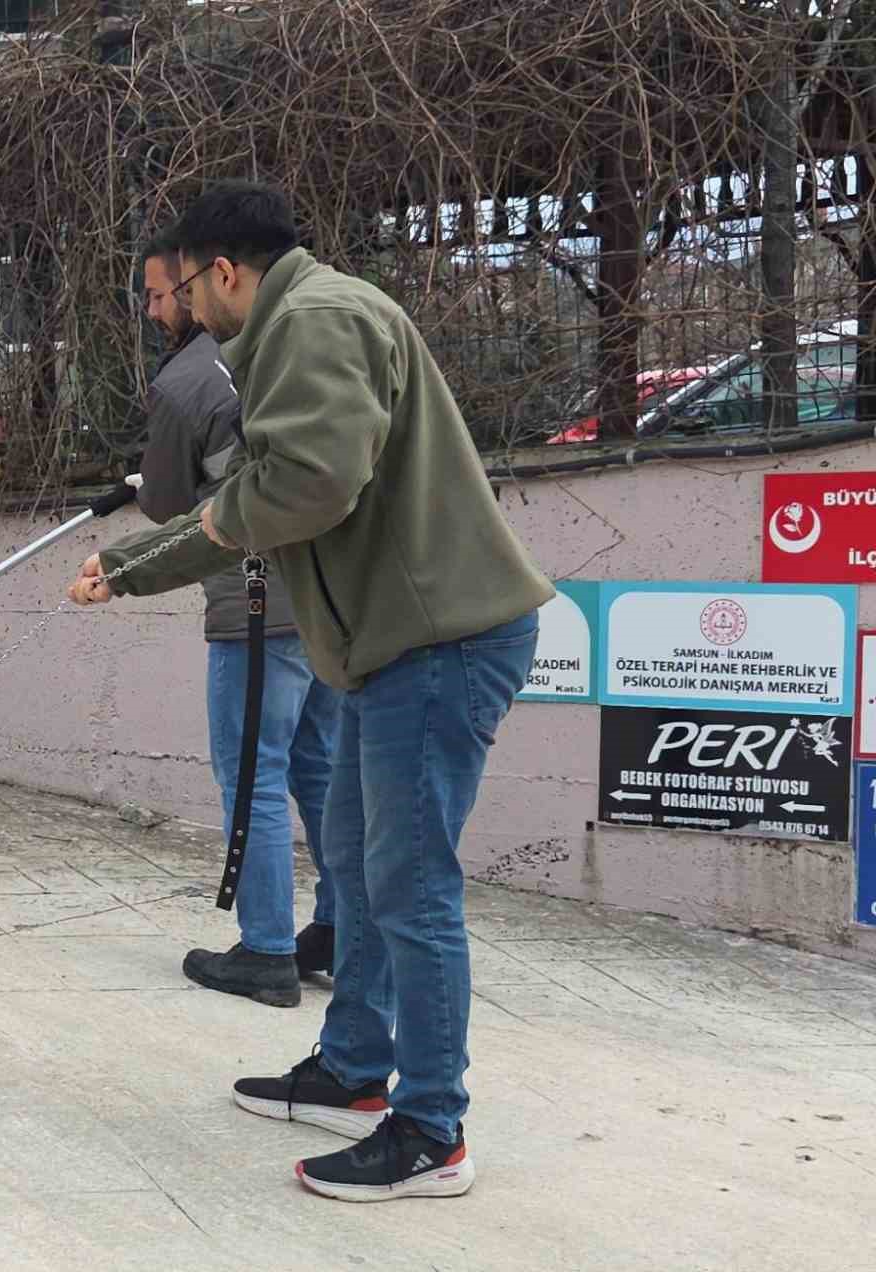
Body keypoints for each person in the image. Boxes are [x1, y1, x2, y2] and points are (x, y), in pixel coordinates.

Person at [67, 181, 553, 1202]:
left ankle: (431, 1130)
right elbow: (279, 486)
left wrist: (149, 556)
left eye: (186, 290)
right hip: (393, 650)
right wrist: (138, 561)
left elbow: (306, 485)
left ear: (225, 271)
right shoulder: (303, 319)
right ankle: (351, 1074)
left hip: (438, 643)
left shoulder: (316, 321)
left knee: (411, 888)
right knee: (356, 862)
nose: (184, 313)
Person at [134, 226, 343, 1008]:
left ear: (198, 286)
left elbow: (161, 501)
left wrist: (159, 471)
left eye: (163, 295)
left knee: (252, 776)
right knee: (320, 772)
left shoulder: (187, 381)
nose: (158, 311)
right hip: (322, 601)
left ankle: (264, 951)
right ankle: (344, 934)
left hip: (251, 609)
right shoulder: (285, 349)